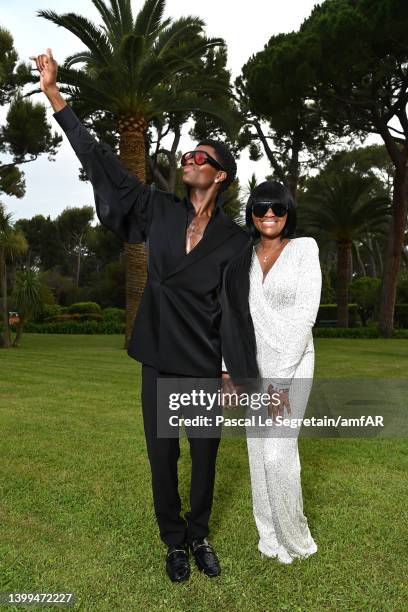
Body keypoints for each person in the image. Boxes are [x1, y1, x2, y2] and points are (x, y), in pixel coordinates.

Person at [30, 49, 251, 582]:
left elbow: (235, 309)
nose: (190, 160)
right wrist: (56, 97)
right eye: (189, 156)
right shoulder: (158, 208)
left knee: (203, 459)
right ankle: (173, 543)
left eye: (202, 157)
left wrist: (229, 372)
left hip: (202, 363)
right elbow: (100, 159)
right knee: (162, 458)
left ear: (219, 175)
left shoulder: (234, 240)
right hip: (157, 354)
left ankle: (199, 535)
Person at [221, 181, 321, 564]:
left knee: (278, 455)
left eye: (277, 209)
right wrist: (228, 369)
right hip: (252, 364)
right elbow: (230, 316)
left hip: (293, 364)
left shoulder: (303, 249)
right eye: (261, 208)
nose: (269, 215)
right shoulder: (241, 257)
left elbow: (304, 317)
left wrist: (279, 382)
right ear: (251, 213)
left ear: (287, 213)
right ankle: (268, 536)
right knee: (257, 449)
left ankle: (295, 536)